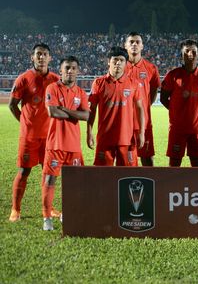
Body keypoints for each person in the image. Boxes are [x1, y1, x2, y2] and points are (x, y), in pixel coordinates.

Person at [8, 43, 60, 222]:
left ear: (50, 58)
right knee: (24, 172)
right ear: (32, 57)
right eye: (38, 54)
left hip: (49, 138)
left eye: (45, 54)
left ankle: (49, 208)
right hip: (29, 137)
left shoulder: (55, 79)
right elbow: (12, 105)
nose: (41, 57)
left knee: (49, 174)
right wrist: (25, 122)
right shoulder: (24, 78)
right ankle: (16, 209)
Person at [42, 56, 89, 231]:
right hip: (55, 144)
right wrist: (74, 113)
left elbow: (86, 116)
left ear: (78, 71)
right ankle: (47, 218)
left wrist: (66, 110)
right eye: (67, 68)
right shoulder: (52, 88)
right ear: (60, 70)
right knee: (50, 179)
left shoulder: (81, 93)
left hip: (74, 146)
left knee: (74, 182)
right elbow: (53, 112)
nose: (70, 71)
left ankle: (66, 213)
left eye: (73, 68)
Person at [87, 47, 145, 166]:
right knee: (102, 177)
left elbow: (140, 109)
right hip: (105, 138)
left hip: (127, 139)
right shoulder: (98, 83)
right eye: (115, 60)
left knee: (127, 178)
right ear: (108, 61)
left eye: (121, 60)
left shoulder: (133, 83)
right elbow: (91, 109)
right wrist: (89, 132)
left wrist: (141, 133)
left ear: (126, 63)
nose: (118, 63)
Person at [161, 39, 198, 167]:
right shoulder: (173, 75)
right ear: (182, 54)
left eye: (193, 51)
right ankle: (172, 188)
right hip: (177, 128)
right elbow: (163, 98)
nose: (190, 54)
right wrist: (176, 112)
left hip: (197, 129)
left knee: (197, 164)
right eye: (186, 51)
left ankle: (197, 187)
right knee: (174, 164)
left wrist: (194, 108)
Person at [124, 32, 160, 166]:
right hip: (125, 122)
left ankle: (152, 186)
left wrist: (146, 105)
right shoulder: (120, 66)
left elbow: (155, 88)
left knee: (147, 159)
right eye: (131, 42)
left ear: (142, 46)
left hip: (144, 122)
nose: (134, 44)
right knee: (126, 160)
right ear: (125, 45)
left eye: (137, 42)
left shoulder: (151, 68)